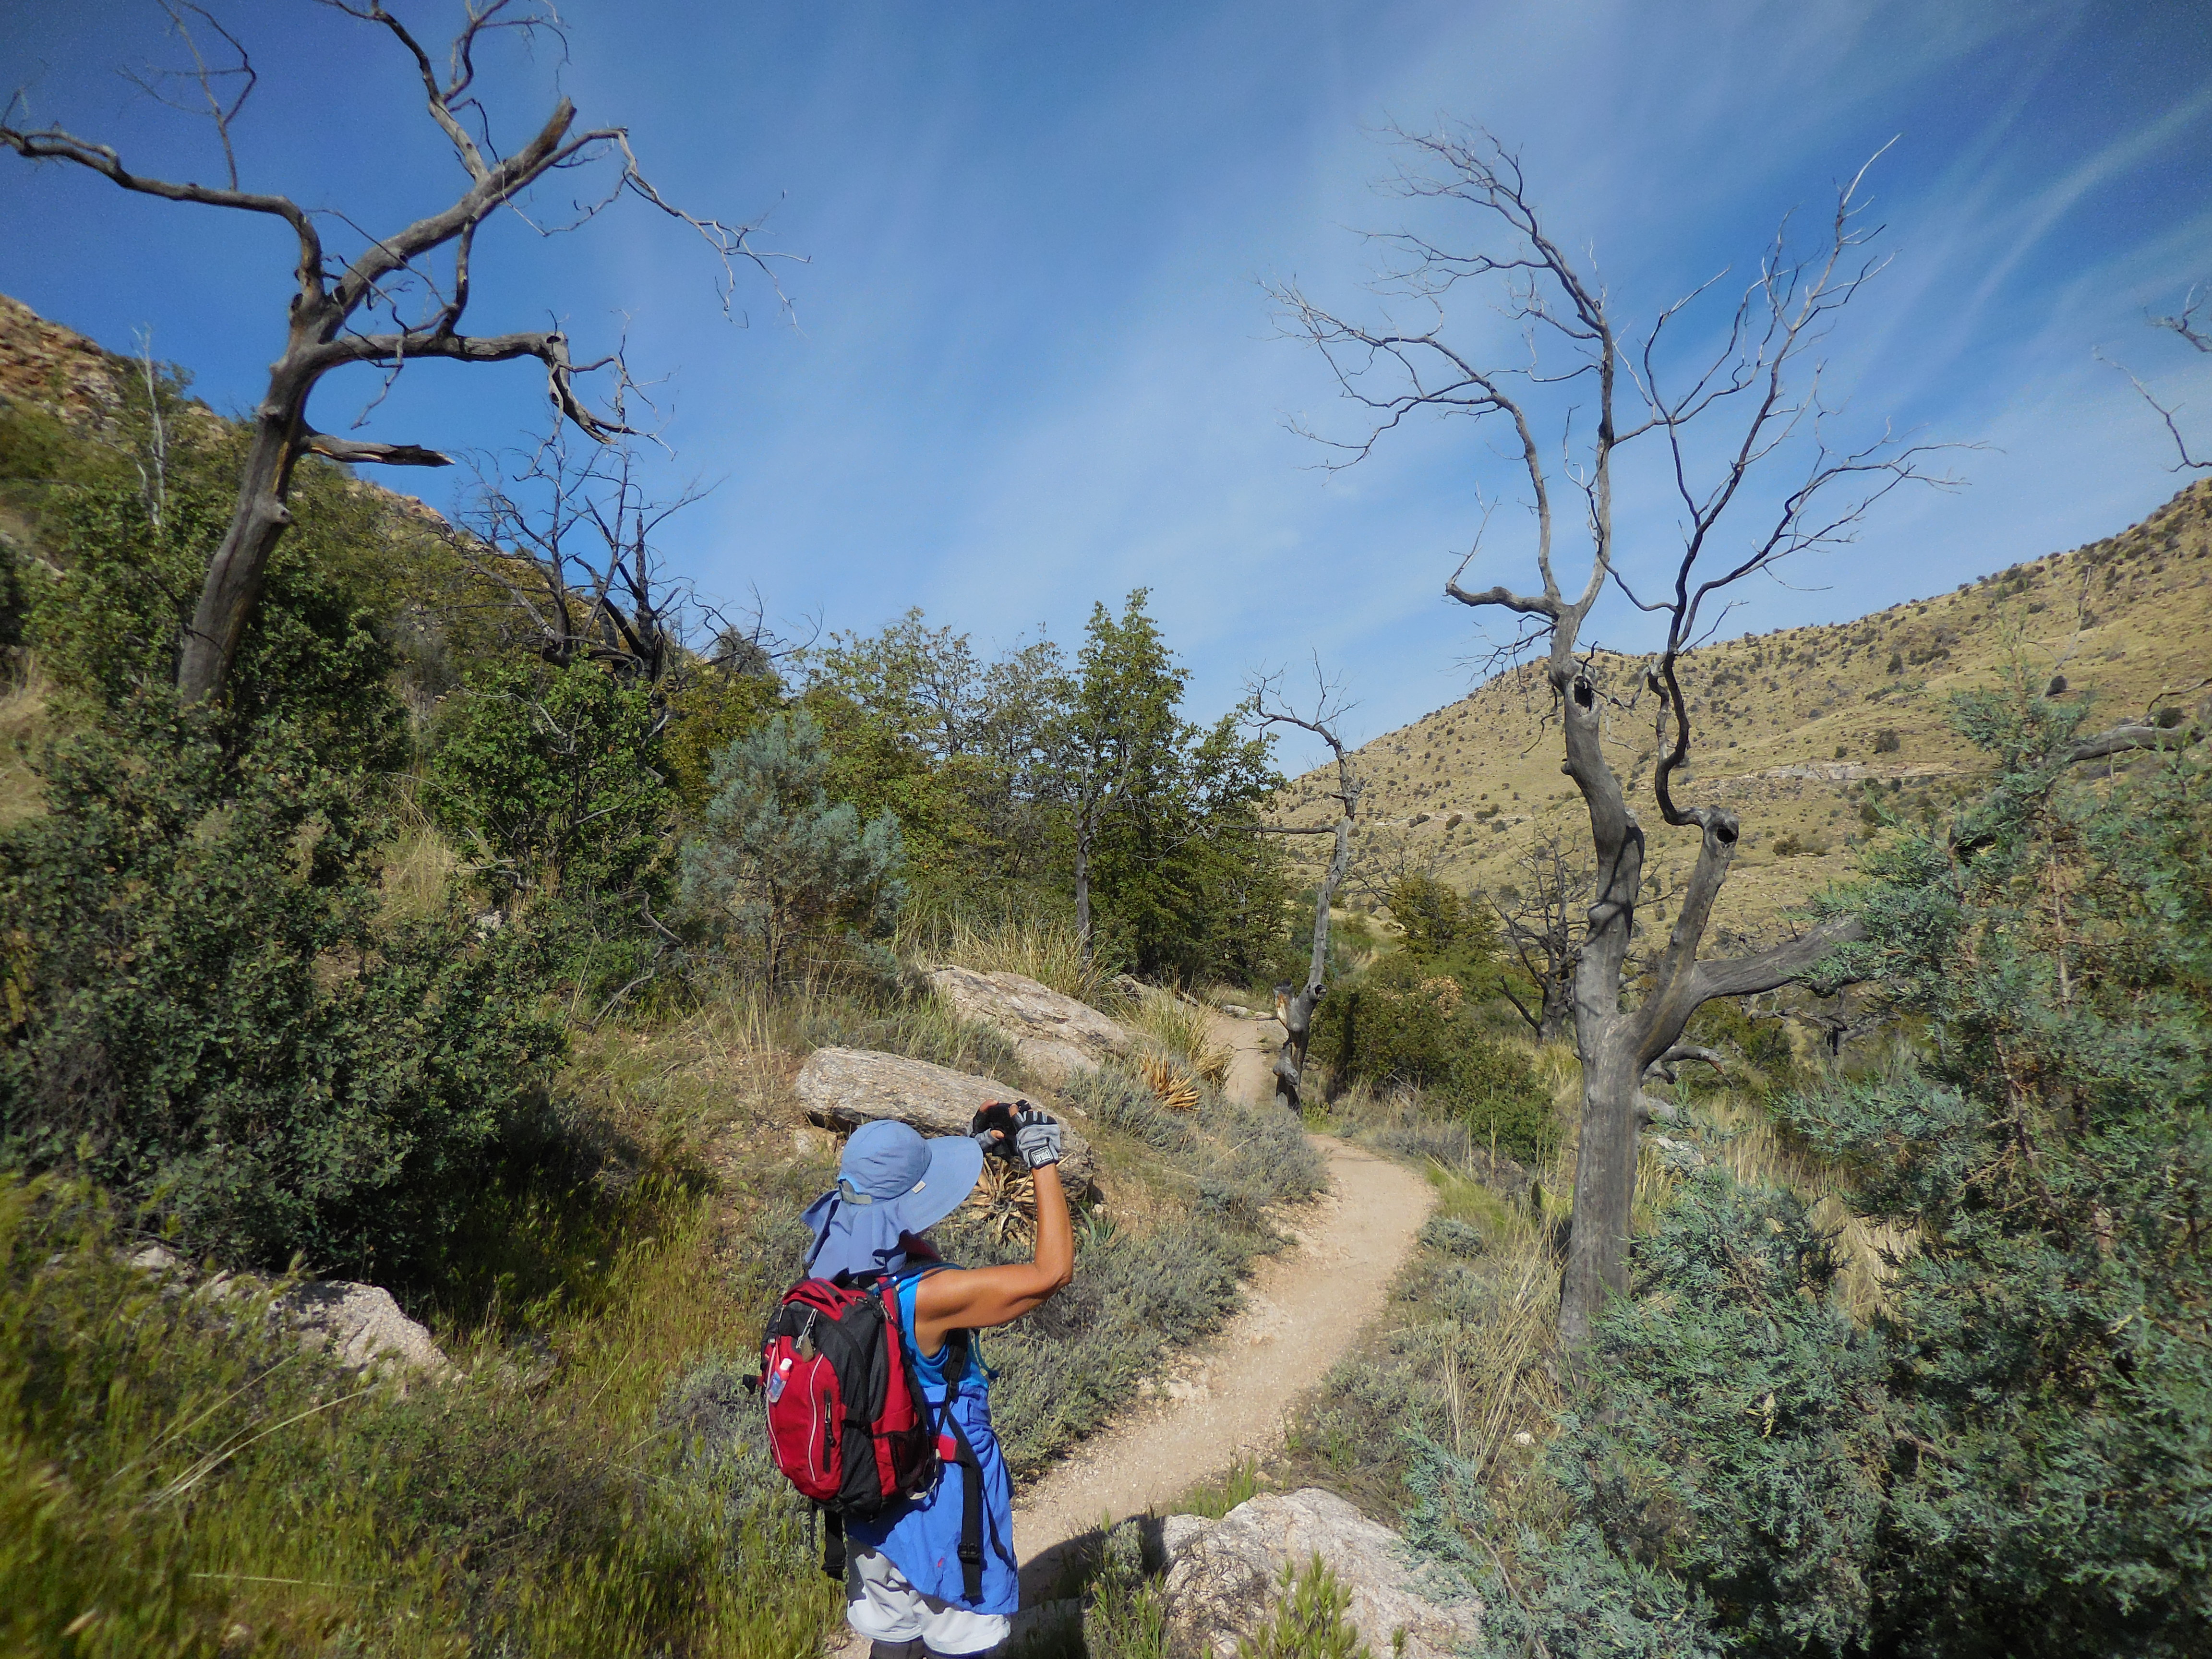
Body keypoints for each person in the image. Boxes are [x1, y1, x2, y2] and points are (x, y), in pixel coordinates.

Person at [800, 1104, 1073, 1659]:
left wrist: (977, 1148)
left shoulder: (829, 1273)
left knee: (894, 1636)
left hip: (870, 1506)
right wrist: (1041, 1158)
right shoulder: (928, 1297)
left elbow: (893, 1227)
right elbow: (1052, 1273)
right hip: (943, 1510)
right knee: (963, 1639)